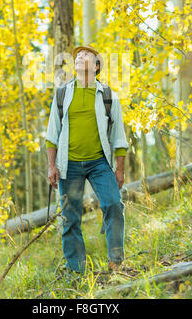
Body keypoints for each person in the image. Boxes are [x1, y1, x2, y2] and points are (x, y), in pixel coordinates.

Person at [45, 45, 129, 274]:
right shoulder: (62, 94)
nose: (80, 58)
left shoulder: (109, 95)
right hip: (68, 165)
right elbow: (52, 135)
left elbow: (119, 138)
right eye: (78, 57)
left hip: (99, 162)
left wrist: (119, 169)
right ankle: (76, 271)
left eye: (86, 56)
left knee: (113, 204)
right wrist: (52, 165)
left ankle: (116, 261)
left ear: (97, 66)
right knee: (70, 219)